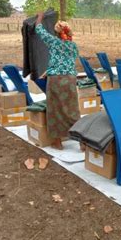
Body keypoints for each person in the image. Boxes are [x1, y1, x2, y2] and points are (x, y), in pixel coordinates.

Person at [35, 12, 80, 149]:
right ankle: (82, 141)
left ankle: (57, 142)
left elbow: (39, 29)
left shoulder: (53, 42)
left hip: (55, 80)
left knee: (54, 110)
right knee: (72, 110)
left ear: (56, 33)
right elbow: (65, 62)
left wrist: (40, 17)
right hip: (70, 80)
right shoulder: (73, 47)